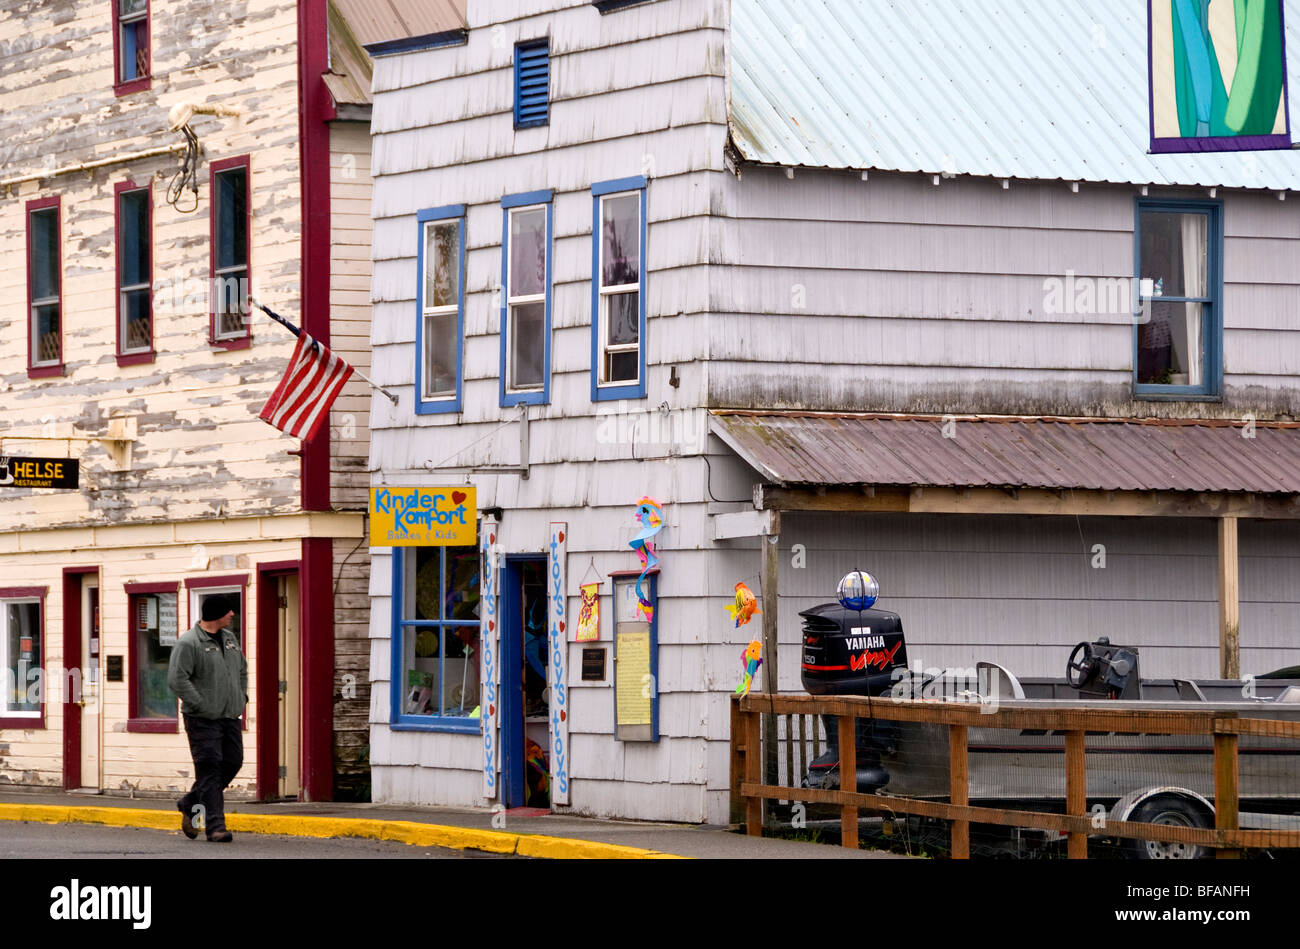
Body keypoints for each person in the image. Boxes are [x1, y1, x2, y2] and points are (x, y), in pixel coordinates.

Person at [167, 595, 247, 842]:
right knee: (210, 768)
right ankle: (215, 827)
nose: (232, 614)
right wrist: (199, 703)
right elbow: (177, 679)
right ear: (216, 614)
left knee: (233, 761)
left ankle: (190, 802)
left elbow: (242, 670)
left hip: (229, 715)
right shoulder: (189, 643)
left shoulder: (230, 640)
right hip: (201, 718)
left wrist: (241, 697)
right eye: (228, 611)